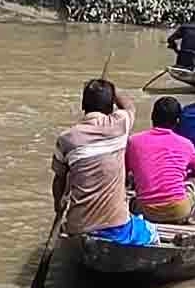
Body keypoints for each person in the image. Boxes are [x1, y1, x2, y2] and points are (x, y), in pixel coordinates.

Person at [52, 78, 158, 246]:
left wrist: (58, 205)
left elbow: (59, 179)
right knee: (151, 231)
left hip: (78, 226)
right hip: (116, 226)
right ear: (110, 107)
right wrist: (112, 88)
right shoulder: (120, 124)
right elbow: (129, 106)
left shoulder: (66, 139)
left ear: (83, 106)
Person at [125, 97, 195, 224]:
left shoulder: (133, 141)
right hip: (179, 211)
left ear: (152, 116)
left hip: (145, 211)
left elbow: (124, 173)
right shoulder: (186, 144)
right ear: (177, 121)